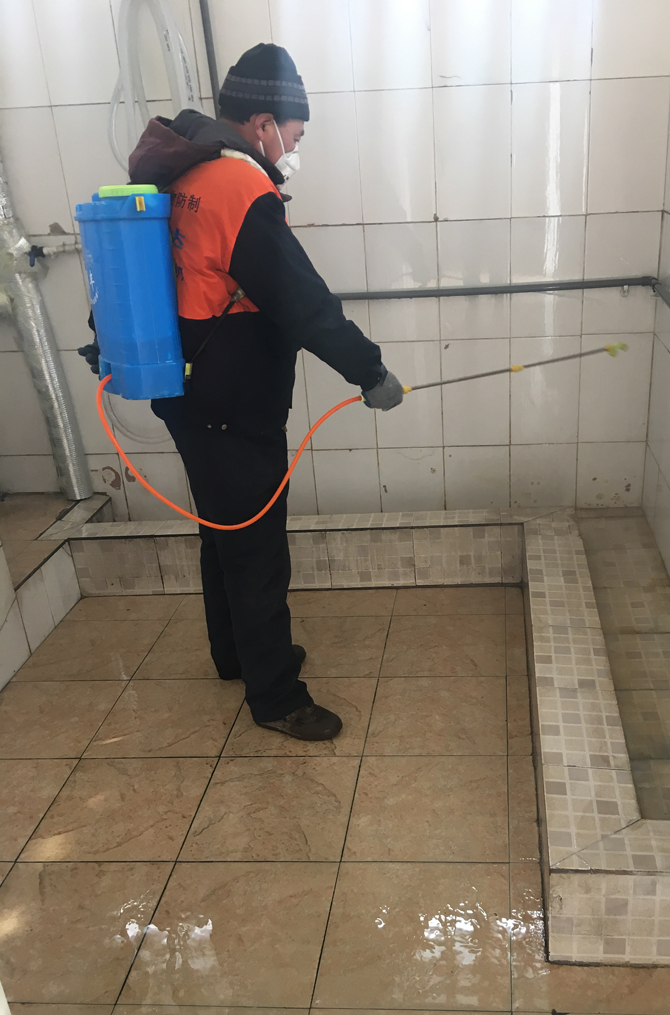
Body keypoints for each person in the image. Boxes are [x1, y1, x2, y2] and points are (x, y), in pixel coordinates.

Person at [126, 43, 403, 740]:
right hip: (230, 401)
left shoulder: (189, 171)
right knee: (255, 548)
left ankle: (236, 655)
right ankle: (276, 696)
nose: (294, 150)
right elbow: (302, 301)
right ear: (263, 124)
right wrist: (369, 371)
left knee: (223, 531)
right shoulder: (239, 187)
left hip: (190, 389)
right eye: (295, 136)